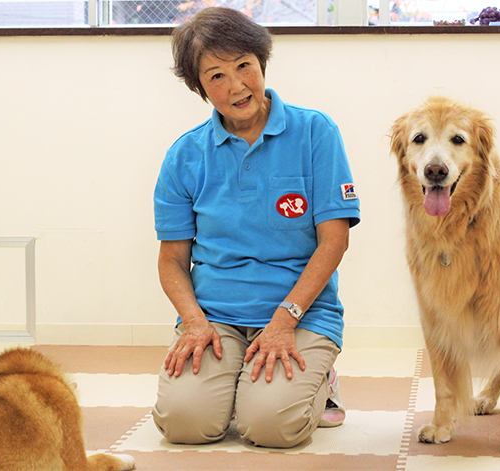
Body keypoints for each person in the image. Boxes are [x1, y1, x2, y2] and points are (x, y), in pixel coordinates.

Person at [152, 7, 360, 449]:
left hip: (299, 315)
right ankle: (236, 386)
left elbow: (334, 240)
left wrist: (286, 319)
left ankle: (320, 383)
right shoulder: (184, 155)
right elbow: (172, 258)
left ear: (261, 62)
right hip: (215, 318)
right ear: (200, 87)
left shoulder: (315, 132)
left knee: (271, 429)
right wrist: (193, 322)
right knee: (183, 424)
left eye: (244, 65)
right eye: (216, 76)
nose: (237, 86)